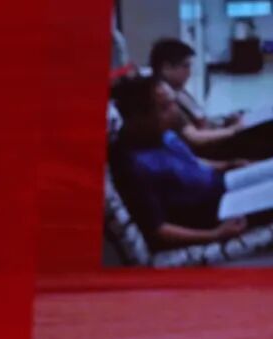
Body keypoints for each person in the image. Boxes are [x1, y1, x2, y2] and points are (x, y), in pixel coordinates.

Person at [109, 74, 255, 248]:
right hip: (217, 213)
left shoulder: (161, 134)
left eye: (173, 103)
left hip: (226, 186)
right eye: (165, 107)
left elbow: (189, 162)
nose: (175, 111)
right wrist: (216, 234)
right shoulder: (131, 165)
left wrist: (227, 165)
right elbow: (158, 229)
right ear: (138, 118)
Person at [149, 37, 273, 159]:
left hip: (215, 136)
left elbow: (200, 119)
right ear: (166, 67)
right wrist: (233, 130)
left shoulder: (178, 91)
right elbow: (194, 137)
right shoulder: (165, 97)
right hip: (209, 150)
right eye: (185, 66)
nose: (189, 72)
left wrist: (224, 121)